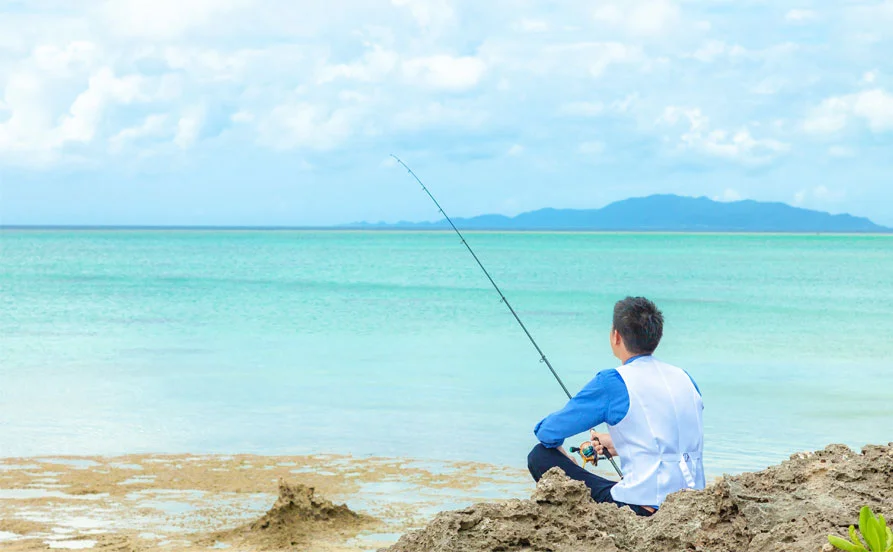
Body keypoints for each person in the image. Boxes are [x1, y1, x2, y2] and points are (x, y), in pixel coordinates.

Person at [527, 296, 704, 516]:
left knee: (540, 456)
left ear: (616, 336)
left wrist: (566, 457)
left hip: (644, 507)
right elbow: (674, 438)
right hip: (695, 503)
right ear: (658, 335)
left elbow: (547, 432)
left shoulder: (613, 382)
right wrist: (620, 443)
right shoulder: (684, 377)